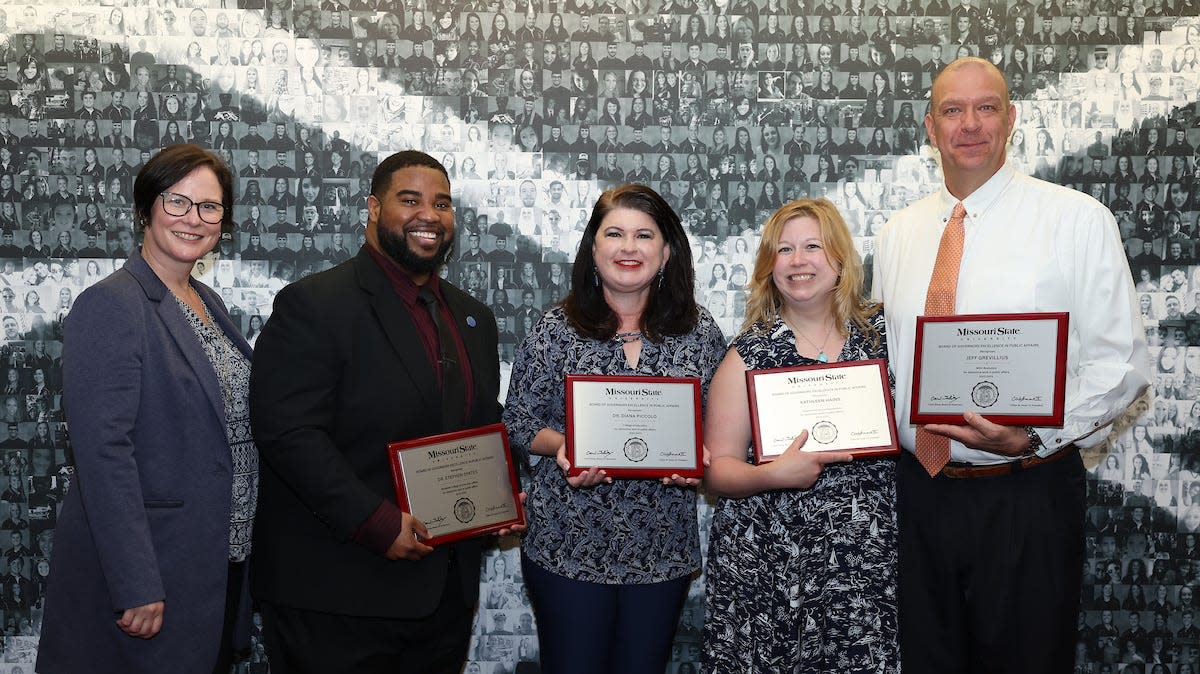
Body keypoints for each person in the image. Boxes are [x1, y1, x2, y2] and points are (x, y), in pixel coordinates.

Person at [872, 57, 1150, 673]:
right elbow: (891, 359)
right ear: (929, 126)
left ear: (1012, 118)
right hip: (919, 494)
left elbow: (1120, 364)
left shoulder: (1076, 220)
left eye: (986, 107)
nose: (969, 124)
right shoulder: (897, 232)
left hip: (1028, 493)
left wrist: (1031, 437)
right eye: (952, 110)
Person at [250, 151, 508, 673]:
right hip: (339, 594)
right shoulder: (314, 305)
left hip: (441, 600)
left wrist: (499, 499)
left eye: (442, 203)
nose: (428, 216)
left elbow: (478, 423)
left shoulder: (473, 318)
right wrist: (374, 521)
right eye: (409, 200)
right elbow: (287, 432)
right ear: (372, 207)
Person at [37, 144, 256, 673]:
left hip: (217, 556)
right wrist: (134, 581)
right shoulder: (113, 303)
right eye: (177, 202)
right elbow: (104, 453)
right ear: (145, 209)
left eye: (209, 207)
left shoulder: (207, 300)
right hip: (155, 570)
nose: (193, 219)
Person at [502, 183, 726, 674]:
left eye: (645, 235)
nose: (629, 247)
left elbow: (718, 429)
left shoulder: (700, 331)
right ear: (594, 248)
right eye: (615, 234)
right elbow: (518, 420)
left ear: (666, 252)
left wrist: (700, 461)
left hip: (661, 552)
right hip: (567, 547)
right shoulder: (555, 327)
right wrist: (565, 447)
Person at [702, 198, 897, 673]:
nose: (798, 260)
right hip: (770, 566)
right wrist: (774, 475)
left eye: (813, 246)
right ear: (770, 267)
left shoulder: (885, 339)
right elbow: (717, 471)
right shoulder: (746, 355)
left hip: (868, 567)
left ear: (839, 259)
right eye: (784, 250)